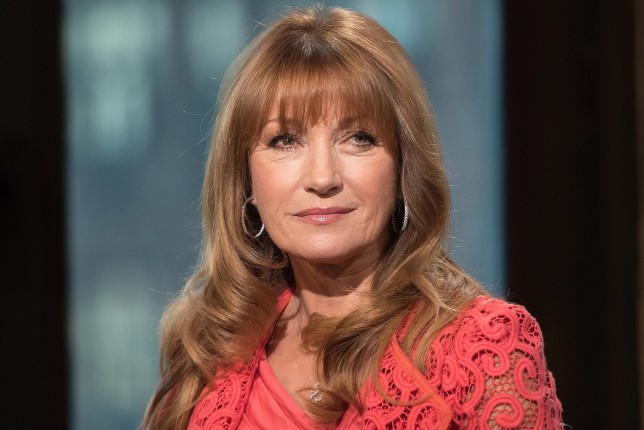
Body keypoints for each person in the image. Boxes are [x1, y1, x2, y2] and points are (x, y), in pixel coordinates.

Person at [144, 6, 563, 430]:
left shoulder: (485, 348)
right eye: (285, 140)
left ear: (402, 168)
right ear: (245, 178)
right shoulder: (206, 352)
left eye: (358, 138)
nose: (322, 177)